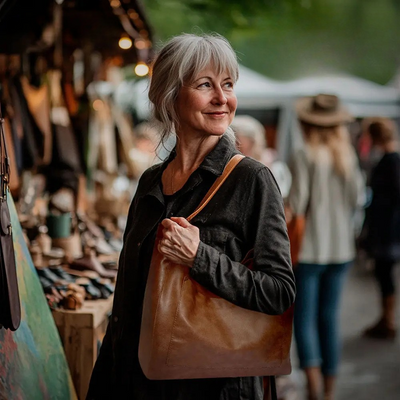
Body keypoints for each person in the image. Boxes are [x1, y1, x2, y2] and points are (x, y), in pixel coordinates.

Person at [86, 33, 295, 400]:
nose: (222, 98)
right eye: (205, 85)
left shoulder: (252, 179)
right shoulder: (151, 182)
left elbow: (279, 292)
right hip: (139, 382)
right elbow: (127, 300)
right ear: (170, 95)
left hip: (215, 385)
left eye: (228, 85)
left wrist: (201, 258)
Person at [286, 94, 364, 400]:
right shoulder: (347, 154)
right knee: (329, 319)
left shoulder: (303, 153)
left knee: (304, 319)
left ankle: (314, 388)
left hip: (308, 251)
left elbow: (297, 203)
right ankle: (329, 392)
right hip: (341, 249)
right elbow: (357, 199)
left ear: (307, 123)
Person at [361, 117, 400, 340]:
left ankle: (388, 320)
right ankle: (386, 318)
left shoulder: (391, 160)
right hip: (386, 228)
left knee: (385, 275)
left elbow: (394, 195)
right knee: (383, 275)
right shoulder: (388, 159)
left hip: (387, 229)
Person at [231, 114, 292, 198]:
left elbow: (280, 194)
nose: (234, 144)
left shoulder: (273, 165)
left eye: (238, 139)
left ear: (252, 141)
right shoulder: (231, 163)